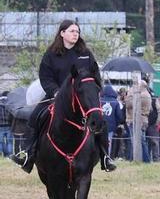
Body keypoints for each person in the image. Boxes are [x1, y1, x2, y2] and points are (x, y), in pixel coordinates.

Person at [11, 20, 116, 173]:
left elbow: (95, 74)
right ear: (62, 33)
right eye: (72, 31)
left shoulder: (85, 54)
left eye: (77, 31)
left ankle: (105, 157)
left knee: (100, 119)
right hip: (56, 96)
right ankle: (28, 155)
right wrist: (55, 91)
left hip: (82, 99)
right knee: (35, 117)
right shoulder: (51, 55)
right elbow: (45, 77)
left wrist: (93, 90)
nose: (76, 34)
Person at [100, 84, 123, 161]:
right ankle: (107, 158)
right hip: (111, 126)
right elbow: (119, 116)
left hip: (100, 125)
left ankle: (99, 158)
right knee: (108, 143)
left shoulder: (99, 100)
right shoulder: (115, 102)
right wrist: (117, 124)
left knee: (99, 142)